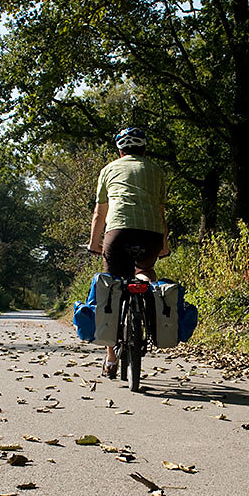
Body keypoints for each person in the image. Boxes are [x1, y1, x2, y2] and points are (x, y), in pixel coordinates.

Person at [87, 126, 169, 377]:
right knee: (144, 269)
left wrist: (94, 244)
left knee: (112, 286)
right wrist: (164, 245)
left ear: (120, 150)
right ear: (144, 149)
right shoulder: (156, 171)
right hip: (151, 235)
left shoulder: (109, 169)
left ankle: (111, 358)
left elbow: (100, 214)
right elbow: (161, 211)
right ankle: (146, 307)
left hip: (118, 234)